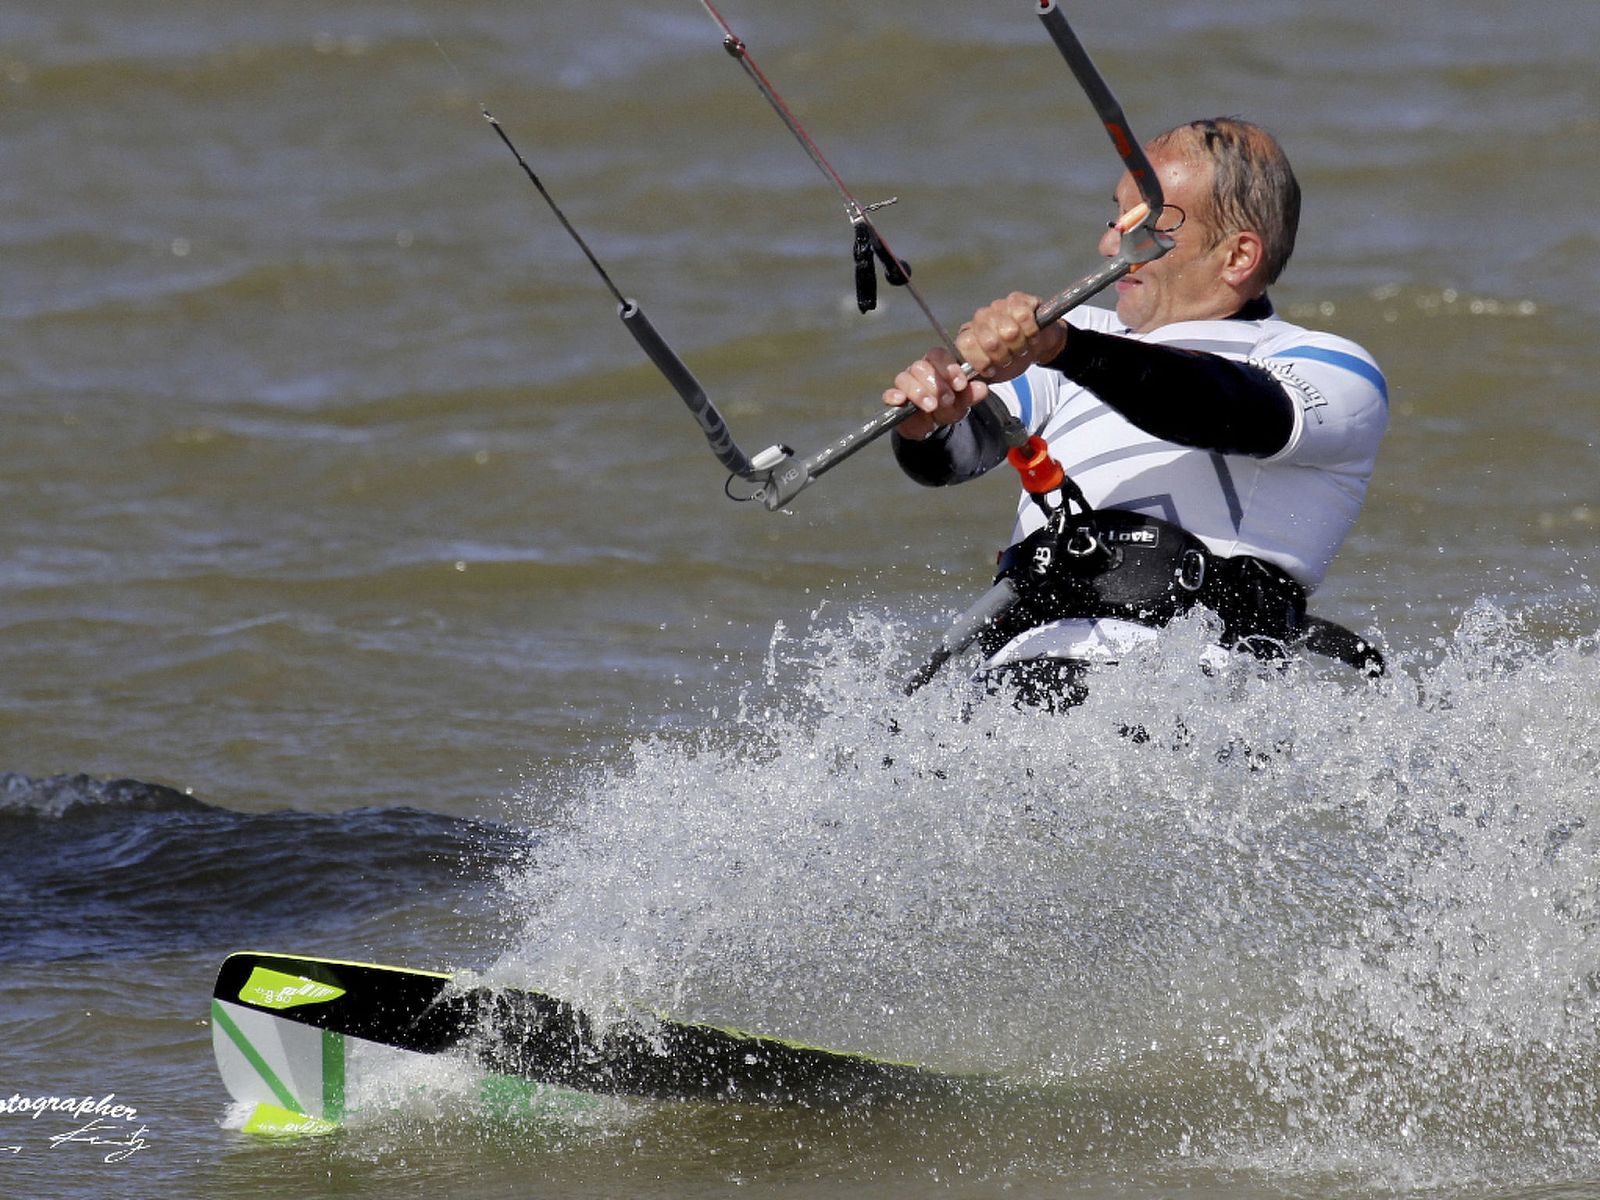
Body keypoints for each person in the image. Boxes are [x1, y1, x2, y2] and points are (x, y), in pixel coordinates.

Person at [884, 116, 1388, 680]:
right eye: (1114, 219)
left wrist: (1066, 349)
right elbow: (957, 454)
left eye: (1145, 225)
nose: (1109, 246)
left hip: (1188, 689)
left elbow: (1228, 411)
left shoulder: (1328, 365)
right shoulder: (1075, 337)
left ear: (1237, 257)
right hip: (1017, 683)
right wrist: (928, 421)